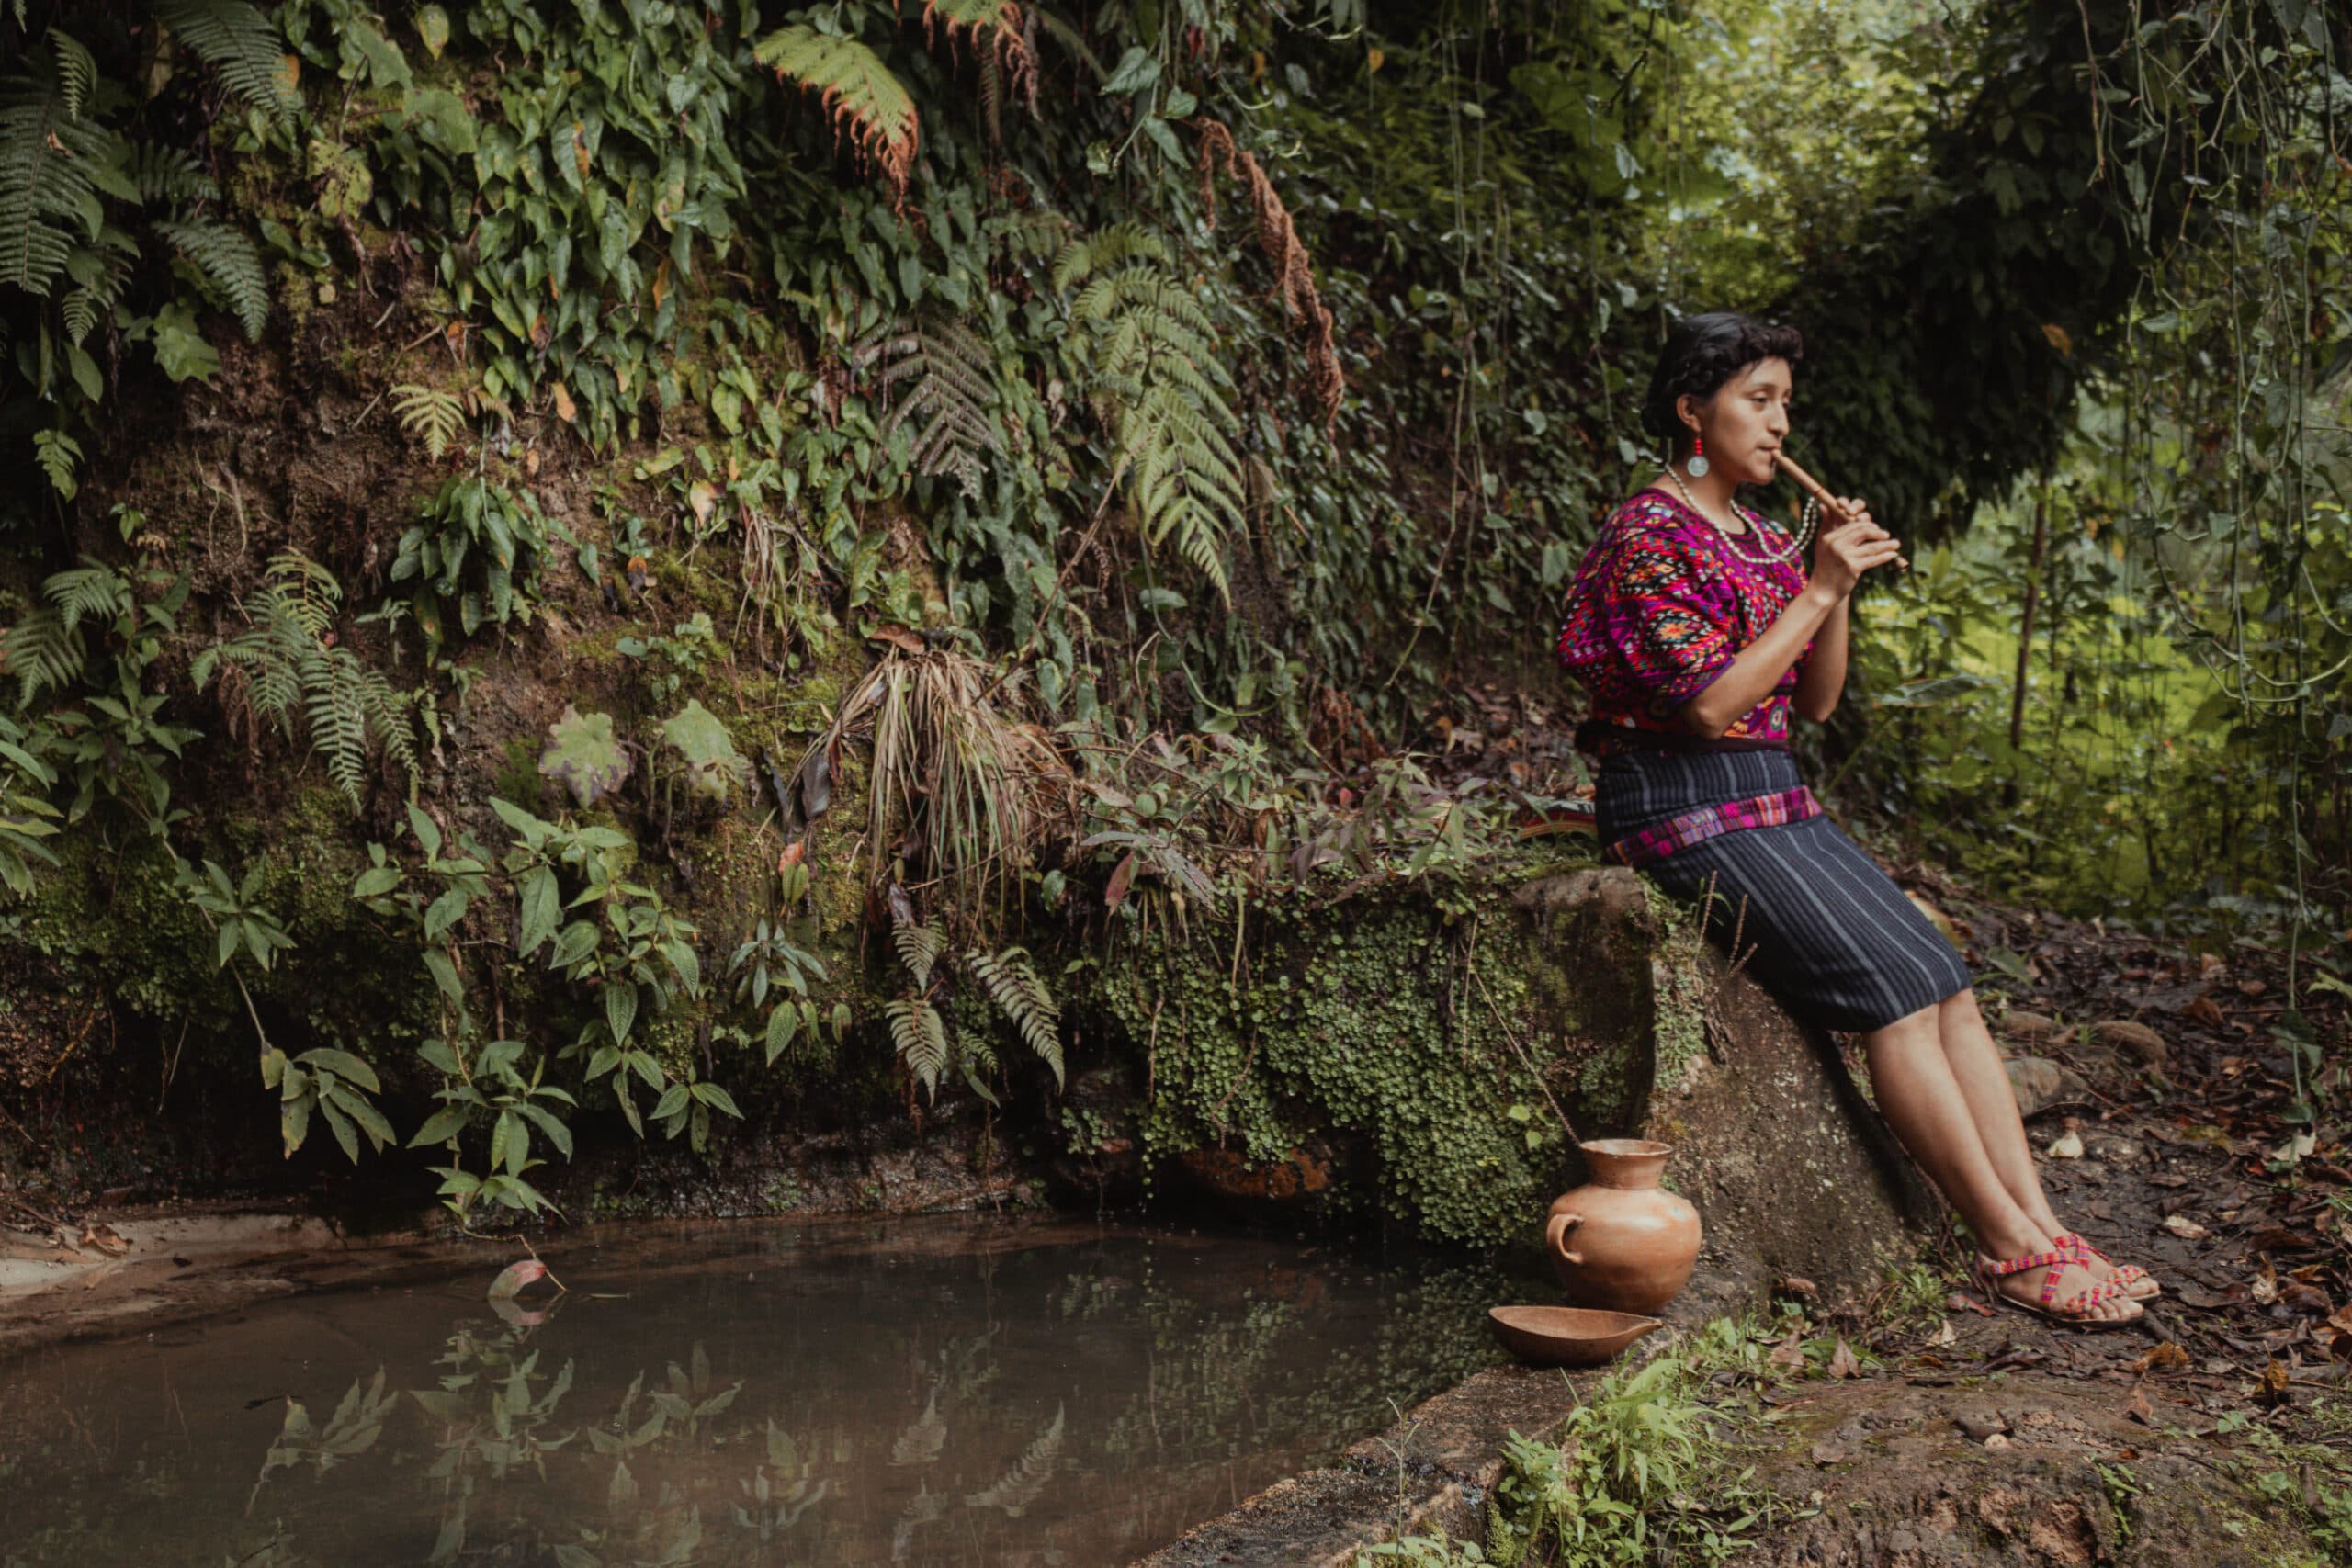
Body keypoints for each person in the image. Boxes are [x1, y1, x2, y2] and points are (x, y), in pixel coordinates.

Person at [1554, 310, 2155, 1328]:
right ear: (1690, 411)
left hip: (1771, 792)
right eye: (1758, 400)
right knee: (1889, 993)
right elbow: (1704, 707)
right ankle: (2005, 1251)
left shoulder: (1755, 531)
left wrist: (1832, 586)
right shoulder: (1646, 534)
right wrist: (1818, 583)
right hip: (1675, 796)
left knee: (1944, 983)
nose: (1780, 423)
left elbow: (1816, 701)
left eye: (1786, 401)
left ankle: (2044, 1227)